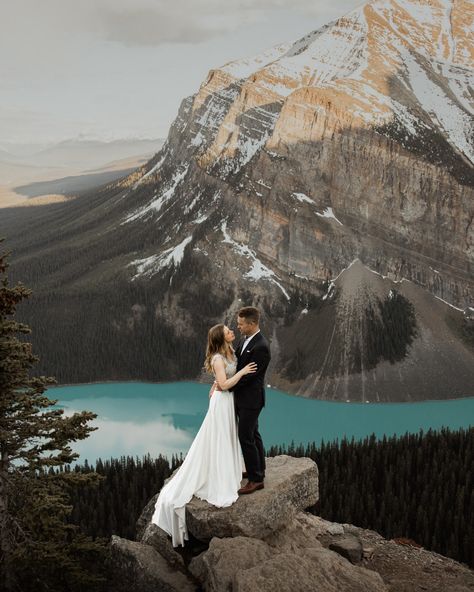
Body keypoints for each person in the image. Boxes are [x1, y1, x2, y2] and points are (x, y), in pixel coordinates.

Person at [151, 323, 257, 547]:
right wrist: (241, 372)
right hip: (223, 402)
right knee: (218, 437)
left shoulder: (230, 351)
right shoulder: (219, 358)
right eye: (228, 330)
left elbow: (221, 382)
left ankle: (229, 466)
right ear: (221, 337)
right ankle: (217, 472)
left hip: (228, 402)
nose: (232, 331)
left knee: (226, 435)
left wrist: (217, 383)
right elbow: (226, 384)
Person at [232, 306, 271, 495]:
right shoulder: (245, 340)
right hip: (244, 399)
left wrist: (227, 386)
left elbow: (250, 377)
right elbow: (238, 364)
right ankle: (258, 469)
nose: (238, 327)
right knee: (254, 434)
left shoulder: (261, 347)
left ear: (252, 323)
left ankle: (256, 480)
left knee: (245, 437)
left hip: (251, 400)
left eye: (241, 324)